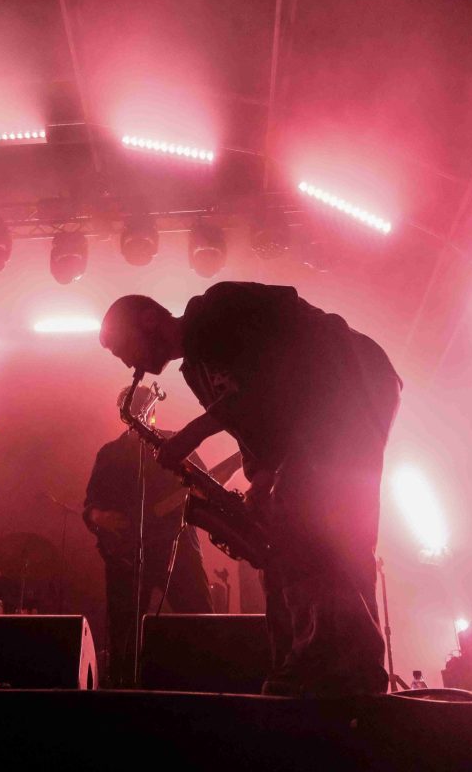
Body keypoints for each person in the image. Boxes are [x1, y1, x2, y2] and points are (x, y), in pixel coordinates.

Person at [99, 282, 402, 697]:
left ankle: (344, 667)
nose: (127, 363)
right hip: (316, 418)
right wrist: (261, 479)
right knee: (289, 535)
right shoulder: (196, 370)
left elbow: (266, 380)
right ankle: (309, 662)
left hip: (350, 388)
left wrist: (191, 435)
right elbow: (256, 424)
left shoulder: (215, 307)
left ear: (148, 319)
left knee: (318, 523)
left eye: (123, 349)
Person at [83, 384, 213, 687]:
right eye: (129, 407)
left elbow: (208, 486)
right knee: (124, 631)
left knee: (200, 618)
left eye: (143, 405)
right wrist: (100, 517)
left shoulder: (177, 444)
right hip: (126, 554)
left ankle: (210, 683)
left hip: (177, 547)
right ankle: (123, 689)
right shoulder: (110, 453)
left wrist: (200, 495)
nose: (137, 413)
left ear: (153, 409)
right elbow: (89, 506)